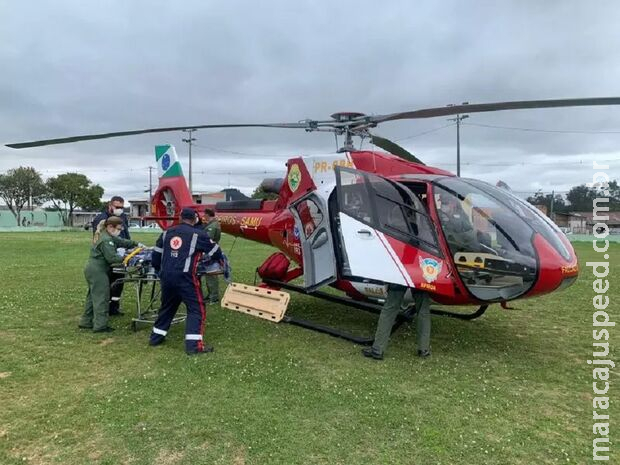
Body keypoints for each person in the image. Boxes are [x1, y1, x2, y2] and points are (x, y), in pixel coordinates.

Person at [149, 208, 224, 355]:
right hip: (185, 277)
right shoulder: (198, 234)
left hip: (167, 277)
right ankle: (194, 345)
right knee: (196, 308)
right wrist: (216, 262)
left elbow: (156, 256)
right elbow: (216, 251)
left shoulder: (166, 233)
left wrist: (160, 271)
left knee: (167, 307)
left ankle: (156, 337)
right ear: (195, 219)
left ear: (180, 218)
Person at [79, 216, 139, 332]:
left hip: (92, 269)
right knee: (102, 297)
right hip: (98, 271)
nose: (120, 231)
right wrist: (126, 256)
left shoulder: (107, 235)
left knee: (92, 297)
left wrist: (135, 244)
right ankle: (100, 326)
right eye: (119, 229)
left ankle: (86, 321)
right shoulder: (106, 240)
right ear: (110, 227)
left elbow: (121, 241)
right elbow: (112, 258)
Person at [362, 285, 431, 360]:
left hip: (403, 275)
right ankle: (424, 349)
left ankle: (377, 349)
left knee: (390, 307)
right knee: (423, 309)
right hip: (420, 275)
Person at [92, 196, 131, 316]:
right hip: (108, 255)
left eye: (121, 207)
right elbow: (99, 238)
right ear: (110, 205)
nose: (120, 209)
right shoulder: (101, 219)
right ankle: (103, 309)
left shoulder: (122, 217)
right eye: (117, 207)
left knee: (119, 281)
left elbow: (125, 234)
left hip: (121, 253)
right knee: (107, 283)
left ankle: (114, 307)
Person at [201, 209, 222, 304]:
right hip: (210, 251)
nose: (203, 216)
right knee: (208, 274)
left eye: (204, 215)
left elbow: (208, 239)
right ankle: (211, 295)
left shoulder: (213, 226)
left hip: (211, 252)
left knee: (211, 275)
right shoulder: (212, 224)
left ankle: (214, 297)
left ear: (207, 214)